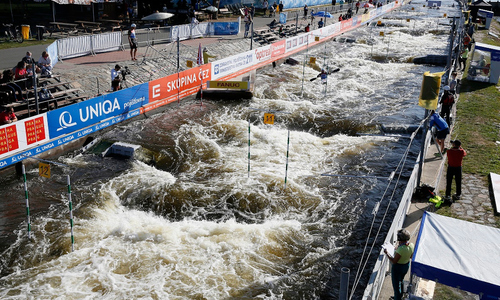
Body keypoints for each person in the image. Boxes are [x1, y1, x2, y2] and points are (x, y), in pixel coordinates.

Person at [384, 229, 414, 300]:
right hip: (406, 266)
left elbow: (394, 261)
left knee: (396, 286)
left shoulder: (401, 249)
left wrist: (387, 253)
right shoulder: (411, 245)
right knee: (401, 280)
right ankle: (400, 296)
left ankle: (397, 298)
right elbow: (411, 256)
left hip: (398, 268)